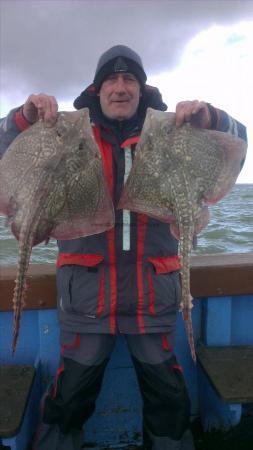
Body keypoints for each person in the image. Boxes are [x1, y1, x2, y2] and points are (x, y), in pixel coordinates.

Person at [0, 45, 247, 450]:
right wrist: (24, 118)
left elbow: (238, 142)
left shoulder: (174, 129)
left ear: (142, 88)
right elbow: (5, 148)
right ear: (96, 90)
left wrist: (210, 117)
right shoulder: (67, 129)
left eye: (129, 79)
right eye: (111, 80)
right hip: (87, 295)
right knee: (70, 398)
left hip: (155, 294)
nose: (120, 88)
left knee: (169, 397)